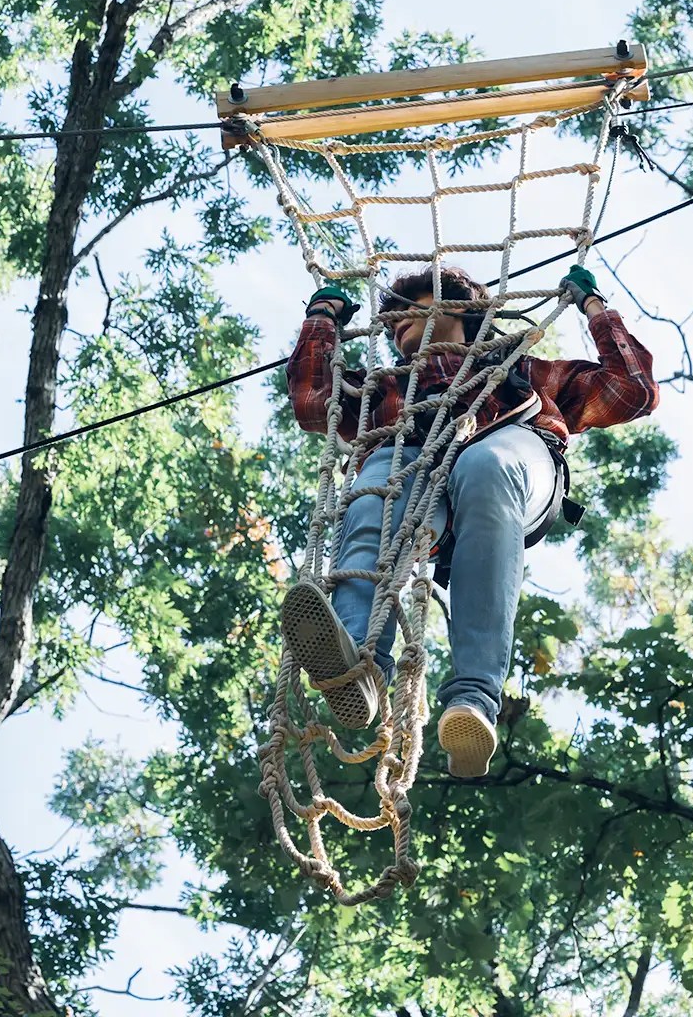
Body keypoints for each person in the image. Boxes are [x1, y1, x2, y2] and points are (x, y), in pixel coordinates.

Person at [280, 263, 658, 777]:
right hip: (419, 475)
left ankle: (475, 697)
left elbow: (631, 391)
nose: (393, 327)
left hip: (511, 458)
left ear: (454, 306)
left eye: (406, 310)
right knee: (375, 488)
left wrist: (597, 311)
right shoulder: (387, 387)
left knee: (486, 466)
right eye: (387, 324)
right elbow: (312, 402)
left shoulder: (517, 368)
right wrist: (322, 319)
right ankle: (358, 663)